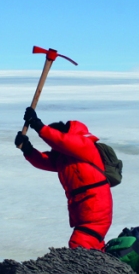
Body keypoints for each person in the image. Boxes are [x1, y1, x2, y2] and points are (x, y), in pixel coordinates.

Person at [15, 107, 113, 250]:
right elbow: (46, 160)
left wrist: (37, 124)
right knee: (93, 247)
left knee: (79, 244)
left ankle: (87, 271)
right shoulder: (64, 157)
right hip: (84, 209)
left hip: (96, 209)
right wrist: (27, 148)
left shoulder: (85, 146)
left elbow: (61, 141)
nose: (54, 149)